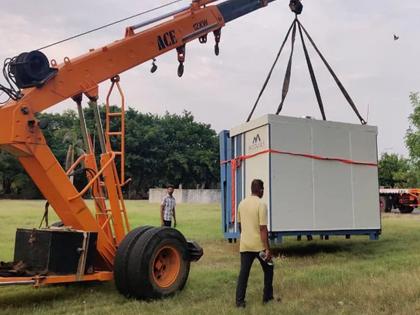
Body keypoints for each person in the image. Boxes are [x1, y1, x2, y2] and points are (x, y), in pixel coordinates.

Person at [235, 179, 275, 308]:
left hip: (245, 245)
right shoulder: (261, 205)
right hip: (259, 247)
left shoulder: (241, 204)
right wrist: (267, 249)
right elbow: (263, 228)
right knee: (269, 268)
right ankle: (267, 298)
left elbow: (240, 226)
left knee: (244, 274)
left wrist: (245, 237)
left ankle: (239, 302)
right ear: (261, 190)